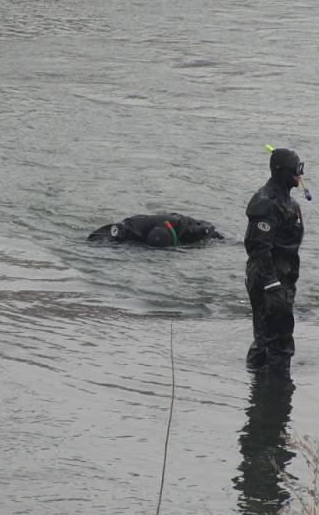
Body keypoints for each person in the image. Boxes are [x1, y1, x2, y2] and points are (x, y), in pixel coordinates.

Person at [244, 148, 305, 372]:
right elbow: (258, 247)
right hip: (269, 279)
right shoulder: (265, 202)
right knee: (278, 340)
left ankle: (260, 384)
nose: (300, 174)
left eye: (301, 168)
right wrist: (272, 283)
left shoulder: (291, 204)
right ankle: (275, 393)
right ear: (281, 171)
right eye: (296, 169)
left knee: (267, 338)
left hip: (284, 277)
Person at [87, 213, 223, 247]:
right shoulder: (133, 227)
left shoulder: (190, 229)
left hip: (175, 222)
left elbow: (210, 229)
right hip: (147, 225)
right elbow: (102, 234)